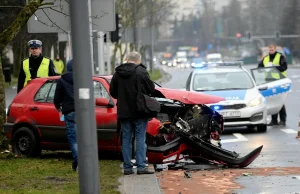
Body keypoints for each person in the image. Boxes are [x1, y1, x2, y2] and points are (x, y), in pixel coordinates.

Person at [109, 52, 155, 175]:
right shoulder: (141, 72)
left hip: (124, 111)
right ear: (138, 61)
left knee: (126, 139)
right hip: (140, 111)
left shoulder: (118, 73)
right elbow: (151, 88)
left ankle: (127, 168)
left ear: (127, 59)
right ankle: (140, 167)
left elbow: (113, 92)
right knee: (140, 138)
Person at [54, 59, 78, 171]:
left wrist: (58, 107)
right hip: (82, 112)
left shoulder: (62, 80)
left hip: (69, 112)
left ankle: (77, 160)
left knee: (73, 139)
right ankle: (83, 161)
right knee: (84, 138)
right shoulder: (82, 79)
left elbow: (57, 98)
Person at [258, 44, 288, 126]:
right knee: (272, 100)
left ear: (275, 49)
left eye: (272, 49)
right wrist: (263, 69)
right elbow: (259, 67)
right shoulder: (266, 58)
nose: (271, 51)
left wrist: (274, 67)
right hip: (269, 82)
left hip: (279, 81)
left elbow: (284, 67)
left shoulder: (280, 56)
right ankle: (274, 120)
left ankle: (283, 120)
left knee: (280, 101)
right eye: (269, 49)